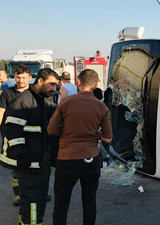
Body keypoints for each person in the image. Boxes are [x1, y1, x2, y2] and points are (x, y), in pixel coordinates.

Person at [48, 69, 112, 225]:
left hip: (67, 159)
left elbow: (52, 130)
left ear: (78, 82)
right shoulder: (101, 107)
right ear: (96, 84)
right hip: (91, 159)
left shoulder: (66, 103)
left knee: (61, 203)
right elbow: (108, 138)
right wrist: (95, 134)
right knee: (89, 201)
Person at [0, 68, 59, 225]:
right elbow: (11, 128)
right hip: (29, 163)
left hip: (39, 161)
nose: (54, 89)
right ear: (40, 81)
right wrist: (22, 154)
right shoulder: (24, 101)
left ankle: (24, 222)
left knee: (30, 201)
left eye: (56, 85)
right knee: (34, 201)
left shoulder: (41, 100)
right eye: (51, 84)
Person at [0, 64, 32, 206]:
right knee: (16, 167)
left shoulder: (34, 93)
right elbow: (1, 113)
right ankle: (18, 194)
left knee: (33, 166)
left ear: (29, 78)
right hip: (12, 136)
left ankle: (35, 191)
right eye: (18, 77)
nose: (20, 80)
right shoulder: (7, 94)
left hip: (31, 137)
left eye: (23, 77)